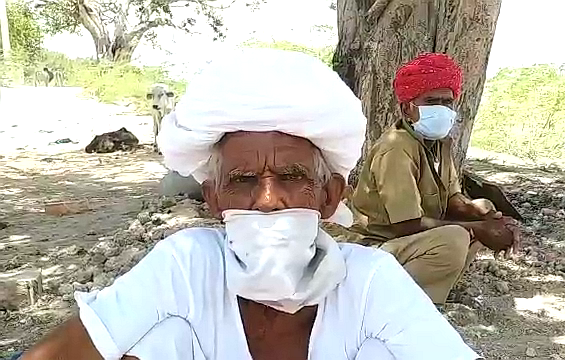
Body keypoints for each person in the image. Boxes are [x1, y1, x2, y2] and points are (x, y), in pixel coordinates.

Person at [21, 49, 480, 360]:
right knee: (158, 340)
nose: (267, 200)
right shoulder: (185, 266)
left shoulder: (369, 282)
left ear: (329, 197)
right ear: (213, 200)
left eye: (293, 177)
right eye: (242, 180)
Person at [349, 53, 520, 305]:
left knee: (481, 213)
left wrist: (483, 215)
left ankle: (428, 289)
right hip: (376, 247)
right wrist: (479, 229)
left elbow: (451, 198)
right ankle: (388, 300)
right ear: (407, 107)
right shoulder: (396, 148)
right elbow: (406, 225)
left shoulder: (440, 144)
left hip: (409, 242)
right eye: (431, 101)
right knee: (456, 237)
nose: (440, 109)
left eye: (446, 102)